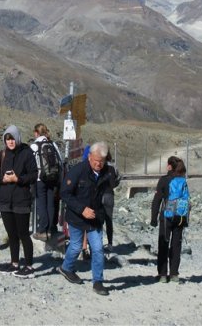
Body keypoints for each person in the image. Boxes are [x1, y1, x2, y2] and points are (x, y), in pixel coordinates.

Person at [58, 141, 115, 296]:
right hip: (76, 216)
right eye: (96, 160)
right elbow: (65, 193)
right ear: (89, 156)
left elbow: (108, 190)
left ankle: (98, 281)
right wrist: (82, 209)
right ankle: (66, 268)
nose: (98, 164)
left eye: (101, 161)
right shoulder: (77, 171)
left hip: (95, 217)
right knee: (76, 246)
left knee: (97, 249)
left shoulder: (106, 172)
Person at [0, 125, 38, 278]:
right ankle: (15, 263)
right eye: (7, 139)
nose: (10, 142)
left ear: (17, 138)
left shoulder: (27, 153)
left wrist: (18, 179)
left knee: (23, 234)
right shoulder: (2, 154)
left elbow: (34, 175)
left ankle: (29, 266)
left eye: (12, 138)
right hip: (5, 200)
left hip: (21, 200)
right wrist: (2, 179)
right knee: (11, 234)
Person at [150, 156, 188, 283]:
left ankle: (162, 275)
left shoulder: (164, 180)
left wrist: (153, 218)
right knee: (176, 245)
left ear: (170, 166)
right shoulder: (182, 180)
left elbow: (157, 200)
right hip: (180, 216)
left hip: (166, 216)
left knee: (164, 243)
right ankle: (174, 274)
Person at [30, 123, 63, 241]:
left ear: (36, 133)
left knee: (41, 204)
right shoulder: (53, 144)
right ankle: (50, 230)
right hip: (52, 178)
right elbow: (60, 161)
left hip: (40, 179)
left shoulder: (34, 146)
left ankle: (42, 231)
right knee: (50, 204)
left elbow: (30, 163)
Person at [101, 151, 121, 254]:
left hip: (100, 195)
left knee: (98, 220)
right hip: (109, 195)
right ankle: (110, 244)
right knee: (109, 221)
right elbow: (117, 180)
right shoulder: (113, 167)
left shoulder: (98, 166)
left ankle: (98, 243)